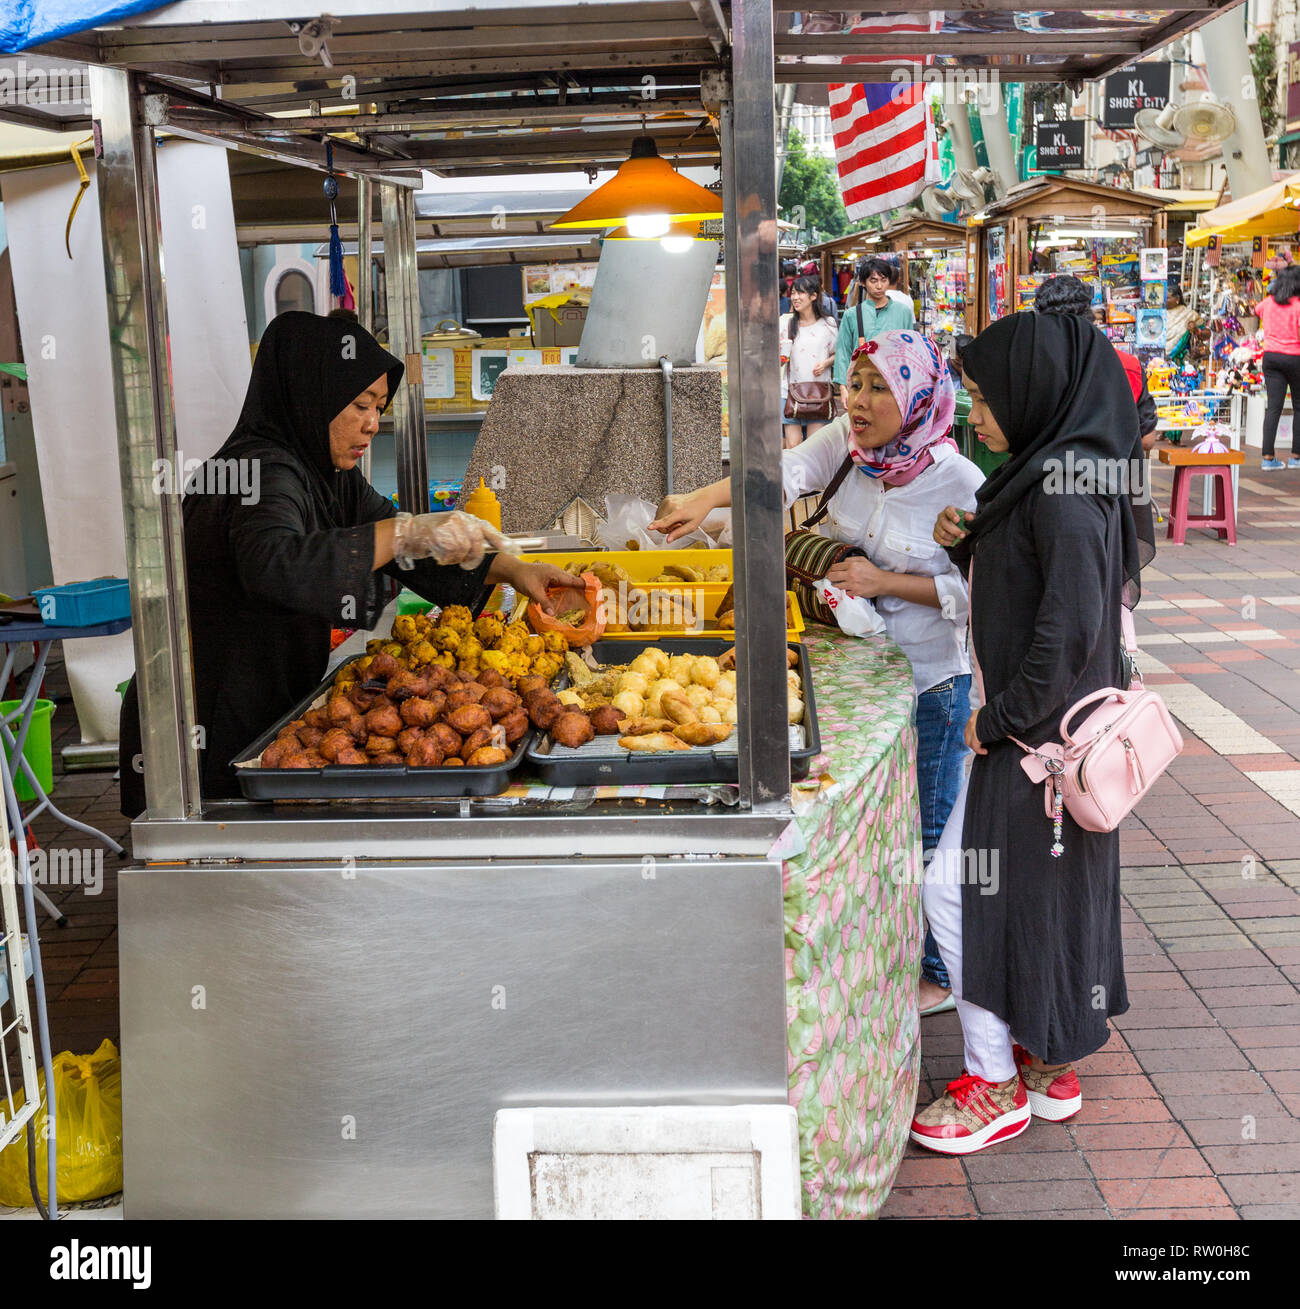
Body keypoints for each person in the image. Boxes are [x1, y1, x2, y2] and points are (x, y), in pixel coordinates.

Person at [651, 331, 984, 1016]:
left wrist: (882, 578)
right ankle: (880, 944)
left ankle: (940, 971)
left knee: (928, 827)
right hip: (855, 667)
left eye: (876, 388)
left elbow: (972, 593)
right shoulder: (848, 446)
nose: (856, 401)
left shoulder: (961, 484)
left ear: (918, 397)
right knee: (872, 819)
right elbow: (783, 471)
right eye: (853, 382)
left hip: (932, 683)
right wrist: (702, 499)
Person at [118, 312, 569, 816]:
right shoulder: (259, 472)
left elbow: (401, 544)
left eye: (379, 407)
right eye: (360, 405)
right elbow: (278, 563)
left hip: (267, 697)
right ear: (311, 393)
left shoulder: (324, 470)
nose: (374, 424)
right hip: (207, 712)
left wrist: (513, 570)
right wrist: (406, 532)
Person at [917, 311, 1155, 1155]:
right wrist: (963, 546)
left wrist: (997, 721)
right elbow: (1024, 592)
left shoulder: (1063, 488)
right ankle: (1048, 1058)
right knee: (1041, 898)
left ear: (1035, 391)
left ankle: (994, 1085)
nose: (974, 415)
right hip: (1047, 750)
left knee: (952, 889)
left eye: (983, 397)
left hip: (1036, 747)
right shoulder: (1047, 473)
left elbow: (1068, 632)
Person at [1034, 274, 1159, 451]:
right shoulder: (1128, 366)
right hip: (1113, 472)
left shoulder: (1035, 368)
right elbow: (1146, 439)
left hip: (1048, 473)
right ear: (1090, 318)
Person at [832, 257, 915, 406]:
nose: (879, 286)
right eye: (873, 280)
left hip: (895, 384)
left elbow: (909, 351)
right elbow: (843, 352)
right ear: (863, 283)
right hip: (861, 384)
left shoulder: (903, 312)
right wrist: (844, 388)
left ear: (889, 281)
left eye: (883, 280)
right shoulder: (852, 314)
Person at [779, 273, 839, 449]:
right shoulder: (786, 323)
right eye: (793, 293)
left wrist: (826, 363)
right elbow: (779, 358)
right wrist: (781, 357)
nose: (795, 298)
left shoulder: (828, 324)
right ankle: (795, 477)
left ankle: (811, 478)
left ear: (813, 296)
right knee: (793, 445)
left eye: (800, 293)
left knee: (814, 447)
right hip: (789, 390)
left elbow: (838, 353)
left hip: (818, 390)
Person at [1254, 265, 1300, 470]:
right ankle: (1296, 457)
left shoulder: (1269, 303)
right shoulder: (1298, 305)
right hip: (1295, 357)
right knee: (1299, 406)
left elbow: (1257, 310)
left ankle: (1267, 457)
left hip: (1271, 357)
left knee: (1273, 407)